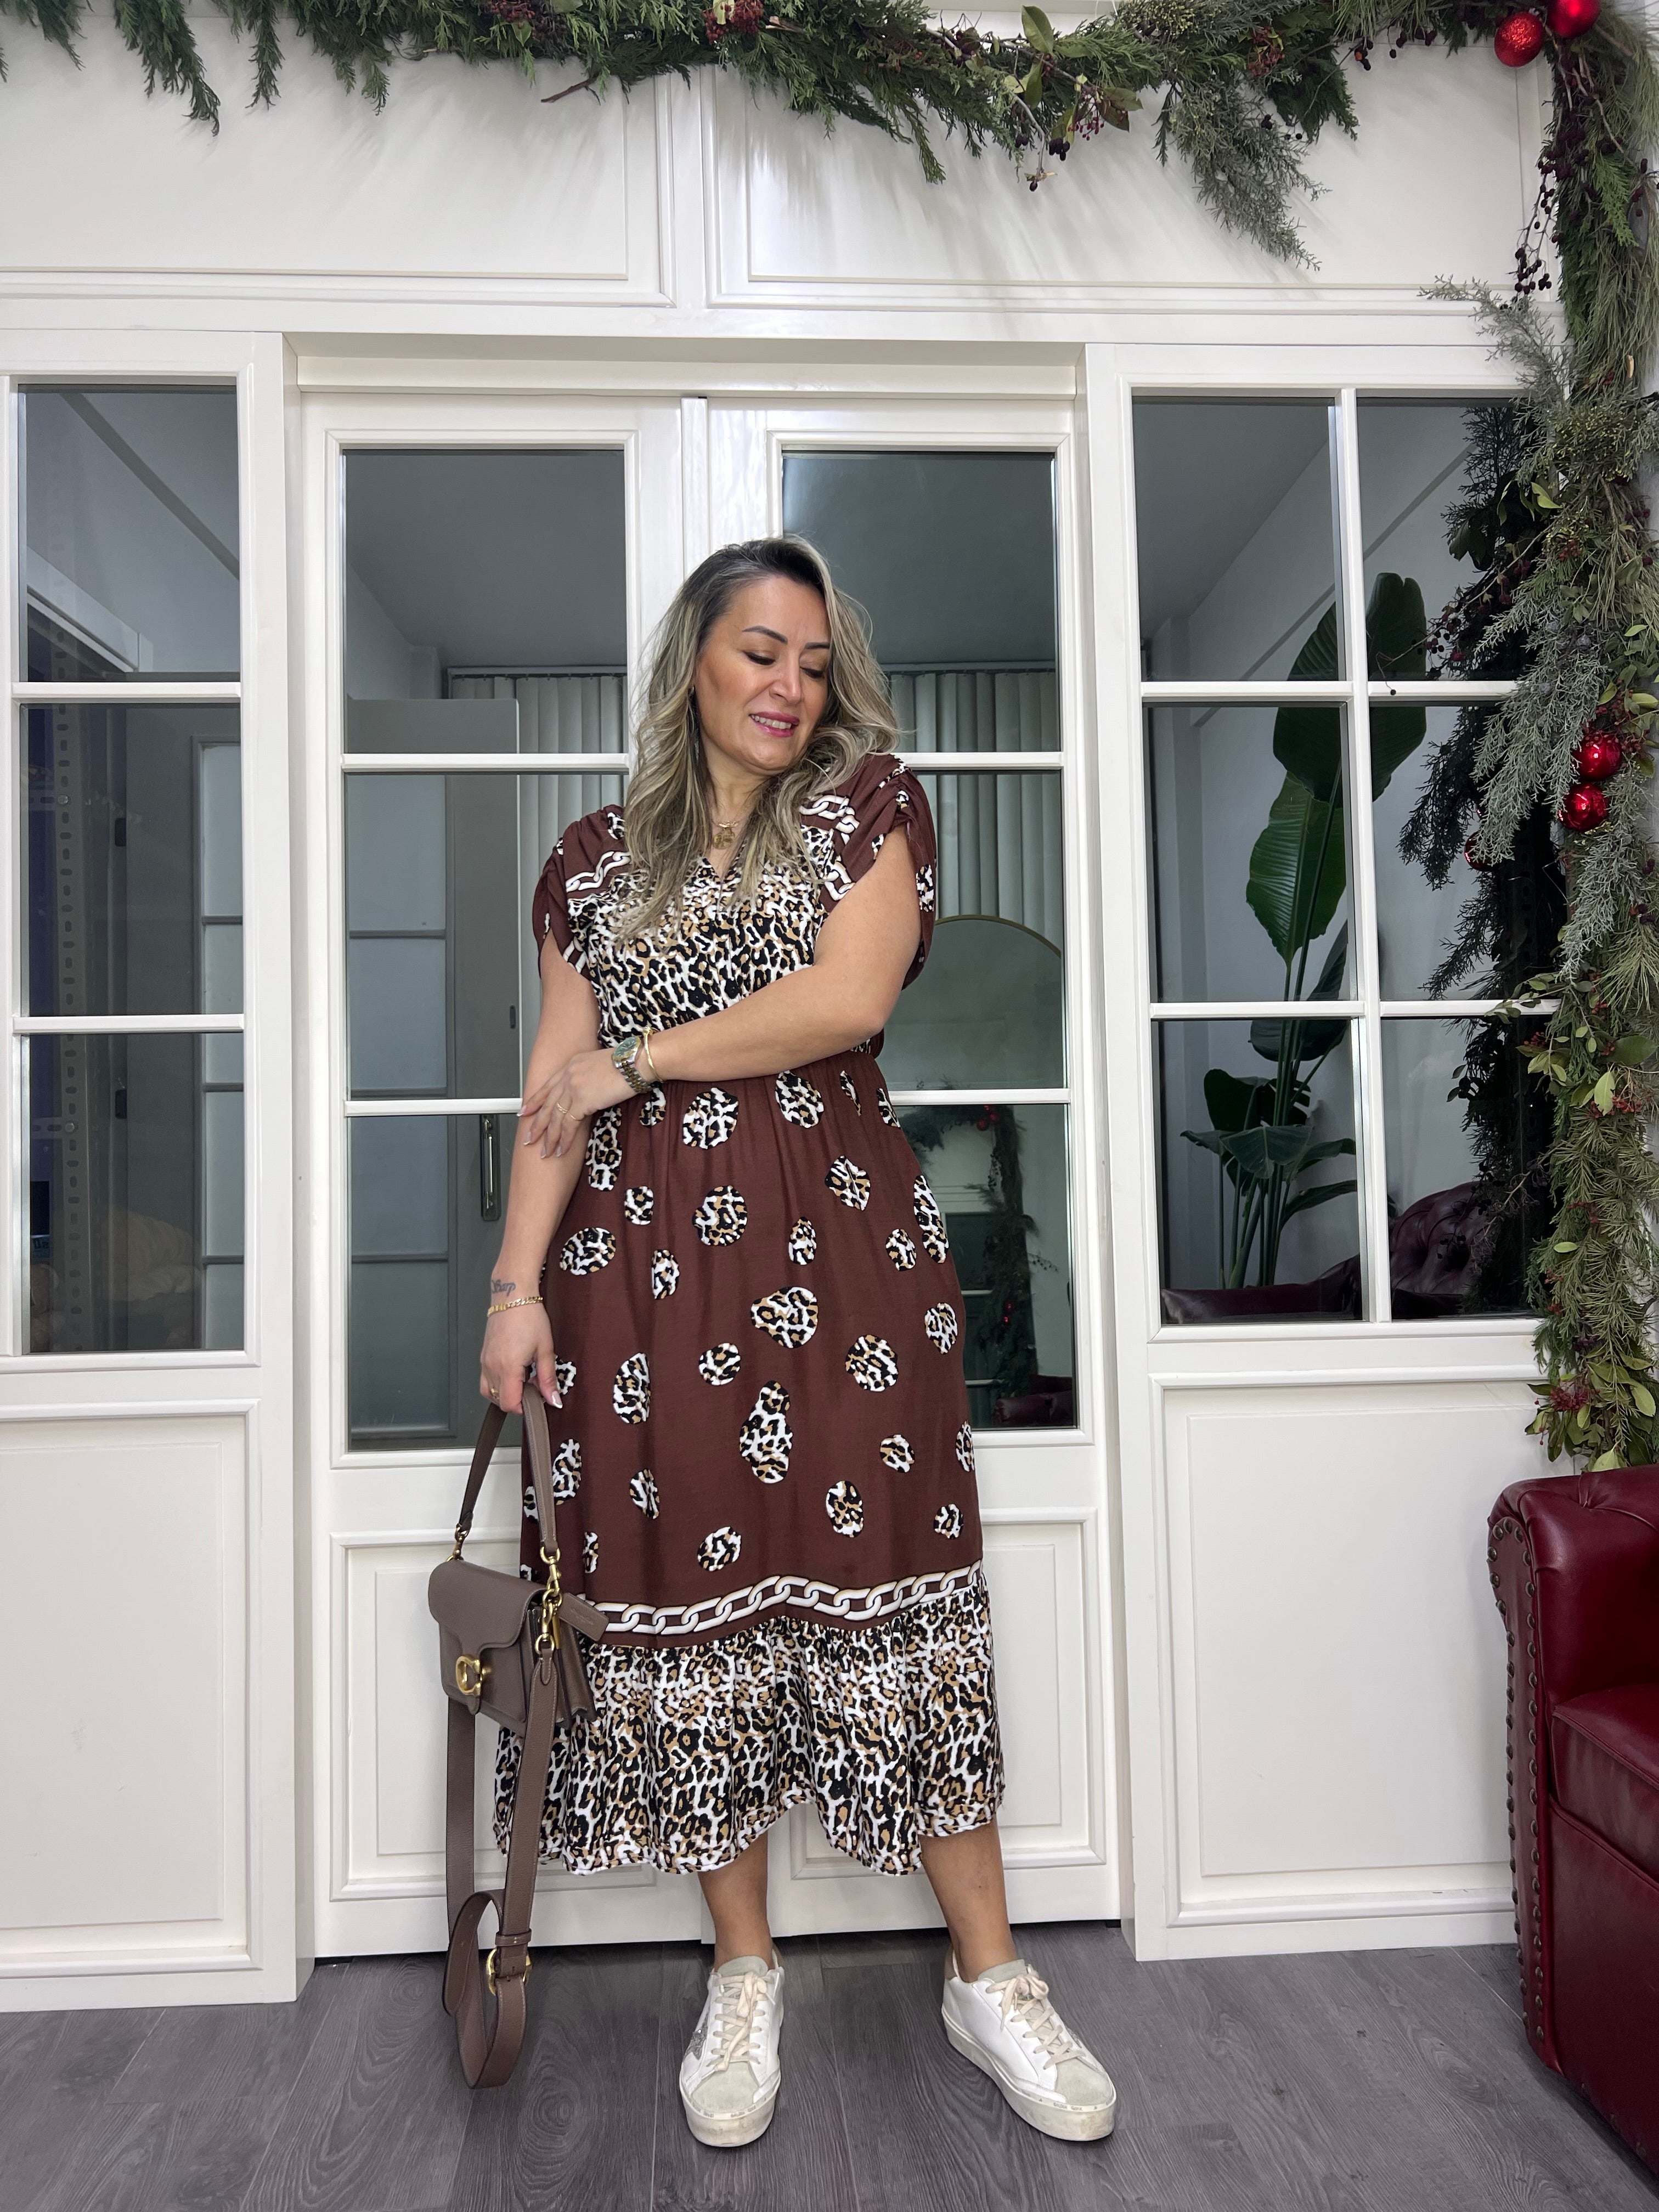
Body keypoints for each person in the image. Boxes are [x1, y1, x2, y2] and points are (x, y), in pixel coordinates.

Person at [477, 534, 1115, 2148]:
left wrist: (639, 1060)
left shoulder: (866, 807)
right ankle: (744, 1970)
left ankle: (992, 1978)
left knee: (895, 1582)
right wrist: (515, 1286)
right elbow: (554, 1089)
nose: (789, 687)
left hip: (841, 1266)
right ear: (693, 657)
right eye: (761, 652)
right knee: (690, 1603)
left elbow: (846, 1002)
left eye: (814, 663)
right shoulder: (588, 865)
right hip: (644, 1291)